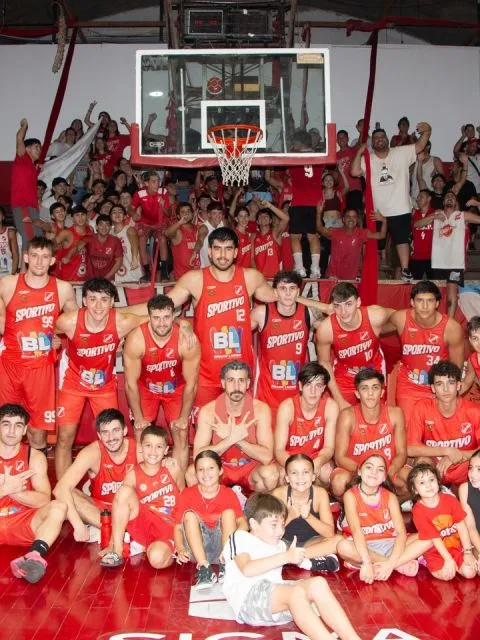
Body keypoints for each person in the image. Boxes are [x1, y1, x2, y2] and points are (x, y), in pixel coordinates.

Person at [167, 226, 277, 413]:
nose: (223, 255)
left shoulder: (251, 277)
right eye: (217, 249)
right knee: (205, 426)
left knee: (241, 426)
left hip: (240, 373)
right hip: (205, 374)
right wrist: (181, 322)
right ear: (209, 252)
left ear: (236, 252)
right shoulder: (195, 279)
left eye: (228, 249)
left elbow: (284, 298)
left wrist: (323, 307)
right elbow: (159, 308)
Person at [222, 493, 361, 640]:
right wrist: (286, 557)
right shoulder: (240, 537)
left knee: (318, 583)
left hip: (275, 602)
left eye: (282, 525)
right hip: (248, 603)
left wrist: (298, 556)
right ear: (254, 524)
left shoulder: (280, 544)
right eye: (274, 525)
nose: (280, 531)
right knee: (295, 593)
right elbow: (247, 569)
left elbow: (293, 558)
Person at [54, 278, 149, 479]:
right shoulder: (68, 322)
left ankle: (111, 483)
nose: (98, 306)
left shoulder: (122, 322)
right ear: (84, 301)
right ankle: (64, 488)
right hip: (73, 383)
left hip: (104, 387)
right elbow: (42, 328)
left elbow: (156, 320)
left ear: (112, 302)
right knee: (64, 438)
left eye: (104, 299)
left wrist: (129, 338)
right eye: (93, 299)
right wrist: (51, 341)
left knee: (113, 437)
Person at [0, 237, 77, 451]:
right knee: (6, 427)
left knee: (37, 432)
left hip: (41, 369)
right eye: (34, 256)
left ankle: (37, 472)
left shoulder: (62, 288)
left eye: (45, 257)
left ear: (52, 260)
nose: (39, 262)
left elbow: (77, 324)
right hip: (10, 367)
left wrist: (54, 334)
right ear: (26, 257)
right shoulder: (8, 283)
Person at [123, 294, 200, 470]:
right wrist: (139, 418)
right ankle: (144, 478)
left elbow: (191, 384)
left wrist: (184, 417)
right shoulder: (137, 339)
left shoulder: (186, 340)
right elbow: (130, 384)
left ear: (173, 316)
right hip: (146, 388)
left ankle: (177, 480)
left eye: (166, 317)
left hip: (176, 388)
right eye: (156, 318)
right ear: (149, 317)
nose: (162, 323)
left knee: (181, 432)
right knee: (141, 431)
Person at [351, 122, 432, 281]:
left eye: (382, 137)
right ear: (372, 143)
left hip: (400, 208)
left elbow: (420, 146)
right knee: (371, 242)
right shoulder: (367, 158)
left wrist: (427, 132)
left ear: (387, 139)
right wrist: (359, 152)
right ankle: (368, 270)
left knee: (402, 240)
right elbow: (354, 172)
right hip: (376, 211)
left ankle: (405, 270)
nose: (379, 139)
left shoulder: (401, 152)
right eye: (376, 138)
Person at [0, 403, 67, 584]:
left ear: (24, 430)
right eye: (6, 424)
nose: (11, 431)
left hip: (22, 521)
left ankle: (34, 556)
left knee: (58, 507)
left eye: (18, 425)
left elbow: (44, 499)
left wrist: (15, 491)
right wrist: (4, 489)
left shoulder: (34, 456)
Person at [100, 426, 183, 568]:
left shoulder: (172, 469)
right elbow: (120, 504)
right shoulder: (133, 474)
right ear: (140, 448)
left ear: (166, 450)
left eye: (159, 447)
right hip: (143, 523)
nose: (153, 451)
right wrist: (111, 543)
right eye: (148, 445)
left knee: (157, 559)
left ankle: (152, 548)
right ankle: (117, 550)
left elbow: (185, 501)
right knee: (124, 492)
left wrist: (182, 540)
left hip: (167, 526)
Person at [53, 409, 138, 541]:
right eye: (105, 432)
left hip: (130, 509)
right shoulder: (91, 453)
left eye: (116, 430)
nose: (111, 438)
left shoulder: (138, 449)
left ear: (125, 431)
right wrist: (78, 526)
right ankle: (118, 531)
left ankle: (115, 531)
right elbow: (59, 489)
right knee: (70, 494)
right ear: (99, 435)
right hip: (100, 510)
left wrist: (168, 463)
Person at [337, 455, 424, 582]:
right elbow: (356, 531)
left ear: (384, 477)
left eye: (380, 469)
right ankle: (398, 564)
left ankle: (386, 564)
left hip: (390, 543)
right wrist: (367, 562)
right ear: (359, 471)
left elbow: (401, 533)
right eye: (369, 467)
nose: (374, 472)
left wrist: (390, 564)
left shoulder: (390, 497)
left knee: (429, 535)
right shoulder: (350, 495)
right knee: (343, 546)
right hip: (366, 546)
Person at [193, 360, 277, 492]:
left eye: (241, 380)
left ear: (248, 383)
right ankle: (210, 503)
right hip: (221, 467)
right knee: (191, 474)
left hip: (250, 467)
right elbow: (197, 456)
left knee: (270, 474)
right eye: (231, 380)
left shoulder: (260, 409)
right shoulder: (208, 411)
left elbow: (267, 457)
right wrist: (230, 440)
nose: (236, 386)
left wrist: (235, 438)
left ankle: (258, 504)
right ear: (223, 383)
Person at [389, 280, 464, 424]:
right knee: (408, 428)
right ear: (412, 302)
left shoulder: (451, 328)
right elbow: (377, 327)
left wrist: (448, 392)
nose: (424, 306)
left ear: (437, 303)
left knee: (436, 429)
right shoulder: (400, 318)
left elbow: (456, 368)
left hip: (438, 387)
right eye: (420, 301)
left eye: (430, 301)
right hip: (409, 385)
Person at [174, 450, 247, 588]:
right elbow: (178, 527)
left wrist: (234, 541)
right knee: (189, 515)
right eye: (201, 469)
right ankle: (204, 568)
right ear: (196, 473)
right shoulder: (187, 494)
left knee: (229, 513)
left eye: (211, 468)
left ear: (220, 471)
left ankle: (226, 564)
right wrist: (180, 548)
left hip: (223, 548)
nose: (206, 473)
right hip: (196, 549)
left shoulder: (228, 493)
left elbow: (243, 523)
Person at [252, 270, 318, 421]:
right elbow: (237, 329)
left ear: (298, 292)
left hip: (297, 392)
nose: (288, 294)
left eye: (292, 288)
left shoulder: (309, 313)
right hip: (266, 391)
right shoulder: (262, 313)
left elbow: (335, 324)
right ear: (275, 292)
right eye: (283, 288)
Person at [312, 282, 391, 408]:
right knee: (343, 414)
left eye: (348, 304)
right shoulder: (326, 329)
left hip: (374, 371)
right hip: (344, 375)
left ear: (358, 302)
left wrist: (379, 330)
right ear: (332, 306)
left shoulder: (375, 315)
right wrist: (338, 399)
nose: (343, 312)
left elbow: (401, 319)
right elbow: (324, 362)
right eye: (337, 306)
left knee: (374, 414)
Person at [333, 369, 408, 500]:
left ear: (382, 392)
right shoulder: (347, 416)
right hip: (356, 470)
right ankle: (351, 507)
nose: (370, 393)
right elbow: (339, 458)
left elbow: (402, 453)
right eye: (364, 388)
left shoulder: (395, 413)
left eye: (375, 388)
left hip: (387, 469)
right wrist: (367, 472)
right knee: (339, 483)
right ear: (357, 394)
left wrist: (389, 470)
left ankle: (391, 506)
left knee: (411, 478)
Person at [407, 361, 480, 485]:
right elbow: (410, 448)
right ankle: (432, 493)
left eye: (450, 383)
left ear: (458, 385)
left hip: (464, 468)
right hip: (436, 468)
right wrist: (446, 451)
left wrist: (456, 455)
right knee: (422, 461)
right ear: (433, 388)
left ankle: (464, 491)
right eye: (440, 384)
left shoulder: (474, 411)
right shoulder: (422, 407)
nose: (446, 389)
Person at [408, 463, 477, 580]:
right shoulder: (418, 510)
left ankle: (456, 563)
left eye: (431, 480)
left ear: (438, 482)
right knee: (447, 575)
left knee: (470, 573)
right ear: (414, 489)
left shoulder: (450, 500)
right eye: (422, 482)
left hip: (455, 547)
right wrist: (448, 559)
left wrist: (467, 552)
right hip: (435, 550)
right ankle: (423, 558)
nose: (428, 485)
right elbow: (434, 537)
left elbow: (462, 526)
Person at [272, 454, 341, 571]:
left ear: (313, 476)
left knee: (339, 541)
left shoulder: (320, 493)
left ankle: (294, 558)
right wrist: (290, 516)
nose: (300, 477)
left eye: (305, 472)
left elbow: (329, 533)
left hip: (311, 543)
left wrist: (308, 516)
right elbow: (271, 532)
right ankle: (307, 559)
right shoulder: (278, 494)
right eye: (294, 473)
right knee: (265, 545)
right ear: (287, 478)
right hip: (283, 542)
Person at [274, 363, 338, 486]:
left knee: (327, 473)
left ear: (324, 388)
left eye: (318, 385)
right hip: (290, 458)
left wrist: (319, 461)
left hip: (315, 458)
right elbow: (279, 450)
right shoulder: (287, 407)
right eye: (308, 384)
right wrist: (296, 467)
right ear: (300, 386)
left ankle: (318, 496)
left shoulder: (330, 406)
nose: (313, 391)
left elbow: (329, 448)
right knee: (279, 475)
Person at [427, 190, 480, 316]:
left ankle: (449, 323)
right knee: (436, 297)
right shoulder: (437, 214)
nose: (450, 198)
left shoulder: (462, 215)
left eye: (452, 197)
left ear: (456, 202)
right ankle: (435, 320)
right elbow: (417, 224)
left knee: (451, 296)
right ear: (443, 201)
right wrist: (432, 217)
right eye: (447, 196)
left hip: (455, 264)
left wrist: (478, 204)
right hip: (438, 263)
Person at [288, 130, 323, 279]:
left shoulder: (293, 157)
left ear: (299, 143)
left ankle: (300, 268)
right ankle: (315, 269)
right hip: (315, 201)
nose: (293, 145)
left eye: (295, 142)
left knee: (295, 236)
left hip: (299, 201)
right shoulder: (320, 155)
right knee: (313, 236)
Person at [316, 208, 386, 280]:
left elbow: (381, 235)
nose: (351, 219)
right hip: (333, 276)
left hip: (352, 278)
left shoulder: (361, 233)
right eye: (348, 216)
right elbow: (319, 228)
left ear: (357, 220)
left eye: (354, 217)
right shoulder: (335, 232)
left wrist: (384, 220)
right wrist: (318, 213)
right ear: (343, 219)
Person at [132, 170, 170, 282]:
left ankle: (164, 273)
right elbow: (131, 207)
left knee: (162, 240)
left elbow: (168, 213)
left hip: (160, 222)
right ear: (146, 183)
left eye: (158, 181)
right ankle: (147, 273)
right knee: (142, 239)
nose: (157, 184)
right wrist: (133, 214)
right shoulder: (140, 193)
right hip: (145, 223)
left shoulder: (163, 192)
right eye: (154, 181)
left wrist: (163, 205)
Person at [11, 119, 42, 250]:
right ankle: (25, 264)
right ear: (27, 148)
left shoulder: (32, 167)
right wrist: (24, 125)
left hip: (32, 208)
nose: (39, 150)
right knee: (30, 239)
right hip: (23, 205)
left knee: (38, 238)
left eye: (40, 148)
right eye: (36, 147)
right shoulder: (23, 158)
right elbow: (19, 138)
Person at [252, 201, 289, 278]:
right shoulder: (254, 236)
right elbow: (251, 258)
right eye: (260, 216)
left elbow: (286, 219)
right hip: (260, 277)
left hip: (275, 277)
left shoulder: (274, 233)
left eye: (266, 216)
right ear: (257, 222)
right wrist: (257, 276)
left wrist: (270, 206)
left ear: (270, 220)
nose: (263, 218)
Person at [164, 202, 200, 280]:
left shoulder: (198, 229)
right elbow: (167, 233)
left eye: (188, 211)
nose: (186, 213)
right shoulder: (178, 231)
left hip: (198, 275)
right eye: (183, 212)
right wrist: (180, 222)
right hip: (182, 277)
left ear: (192, 214)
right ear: (178, 216)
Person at [458, 449, 480, 571]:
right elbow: (470, 526)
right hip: (475, 538)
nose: (472, 474)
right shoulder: (465, 489)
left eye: (479, 469)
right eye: (471, 468)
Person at [110, 204, 142, 283]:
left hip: (132, 269)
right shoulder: (109, 233)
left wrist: (134, 258)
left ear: (124, 216)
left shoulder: (129, 229)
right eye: (114, 212)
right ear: (110, 217)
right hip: (117, 273)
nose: (117, 214)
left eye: (120, 212)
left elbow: (135, 244)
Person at [409, 188, 434, 280]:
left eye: (421, 197)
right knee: (413, 285)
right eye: (418, 197)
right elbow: (414, 225)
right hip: (416, 256)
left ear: (429, 198)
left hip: (433, 257)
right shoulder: (413, 213)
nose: (418, 199)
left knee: (434, 285)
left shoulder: (436, 212)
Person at [336, 129, 363, 211]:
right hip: (342, 191)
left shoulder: (354, 150)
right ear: (337, 141)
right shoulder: (335, 156)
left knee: (355, 214)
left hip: (354, 189)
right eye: (339, 138)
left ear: (348, 139)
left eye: (343, 137)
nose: (341, 139)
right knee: (344, 215)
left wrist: (362, 131)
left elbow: (361, 143)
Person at [191, 201, 225, 269]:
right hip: (206, 267)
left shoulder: (223, 223)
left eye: (220, 213)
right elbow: (200, 241)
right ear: (209, 214)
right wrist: (194, 252)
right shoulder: (204, 227)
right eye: (214, 213)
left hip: (219, 264)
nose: (218, 216)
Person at [461, 316, 480, 395]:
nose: (479, 343)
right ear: (470, 340)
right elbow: (466, 384)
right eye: (475, 338)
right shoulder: (473, 360)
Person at [0, 205, 19, 276]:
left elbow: (15, 254)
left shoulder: (10, 232)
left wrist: (13, 273)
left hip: (8, 269)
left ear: (3, 217)